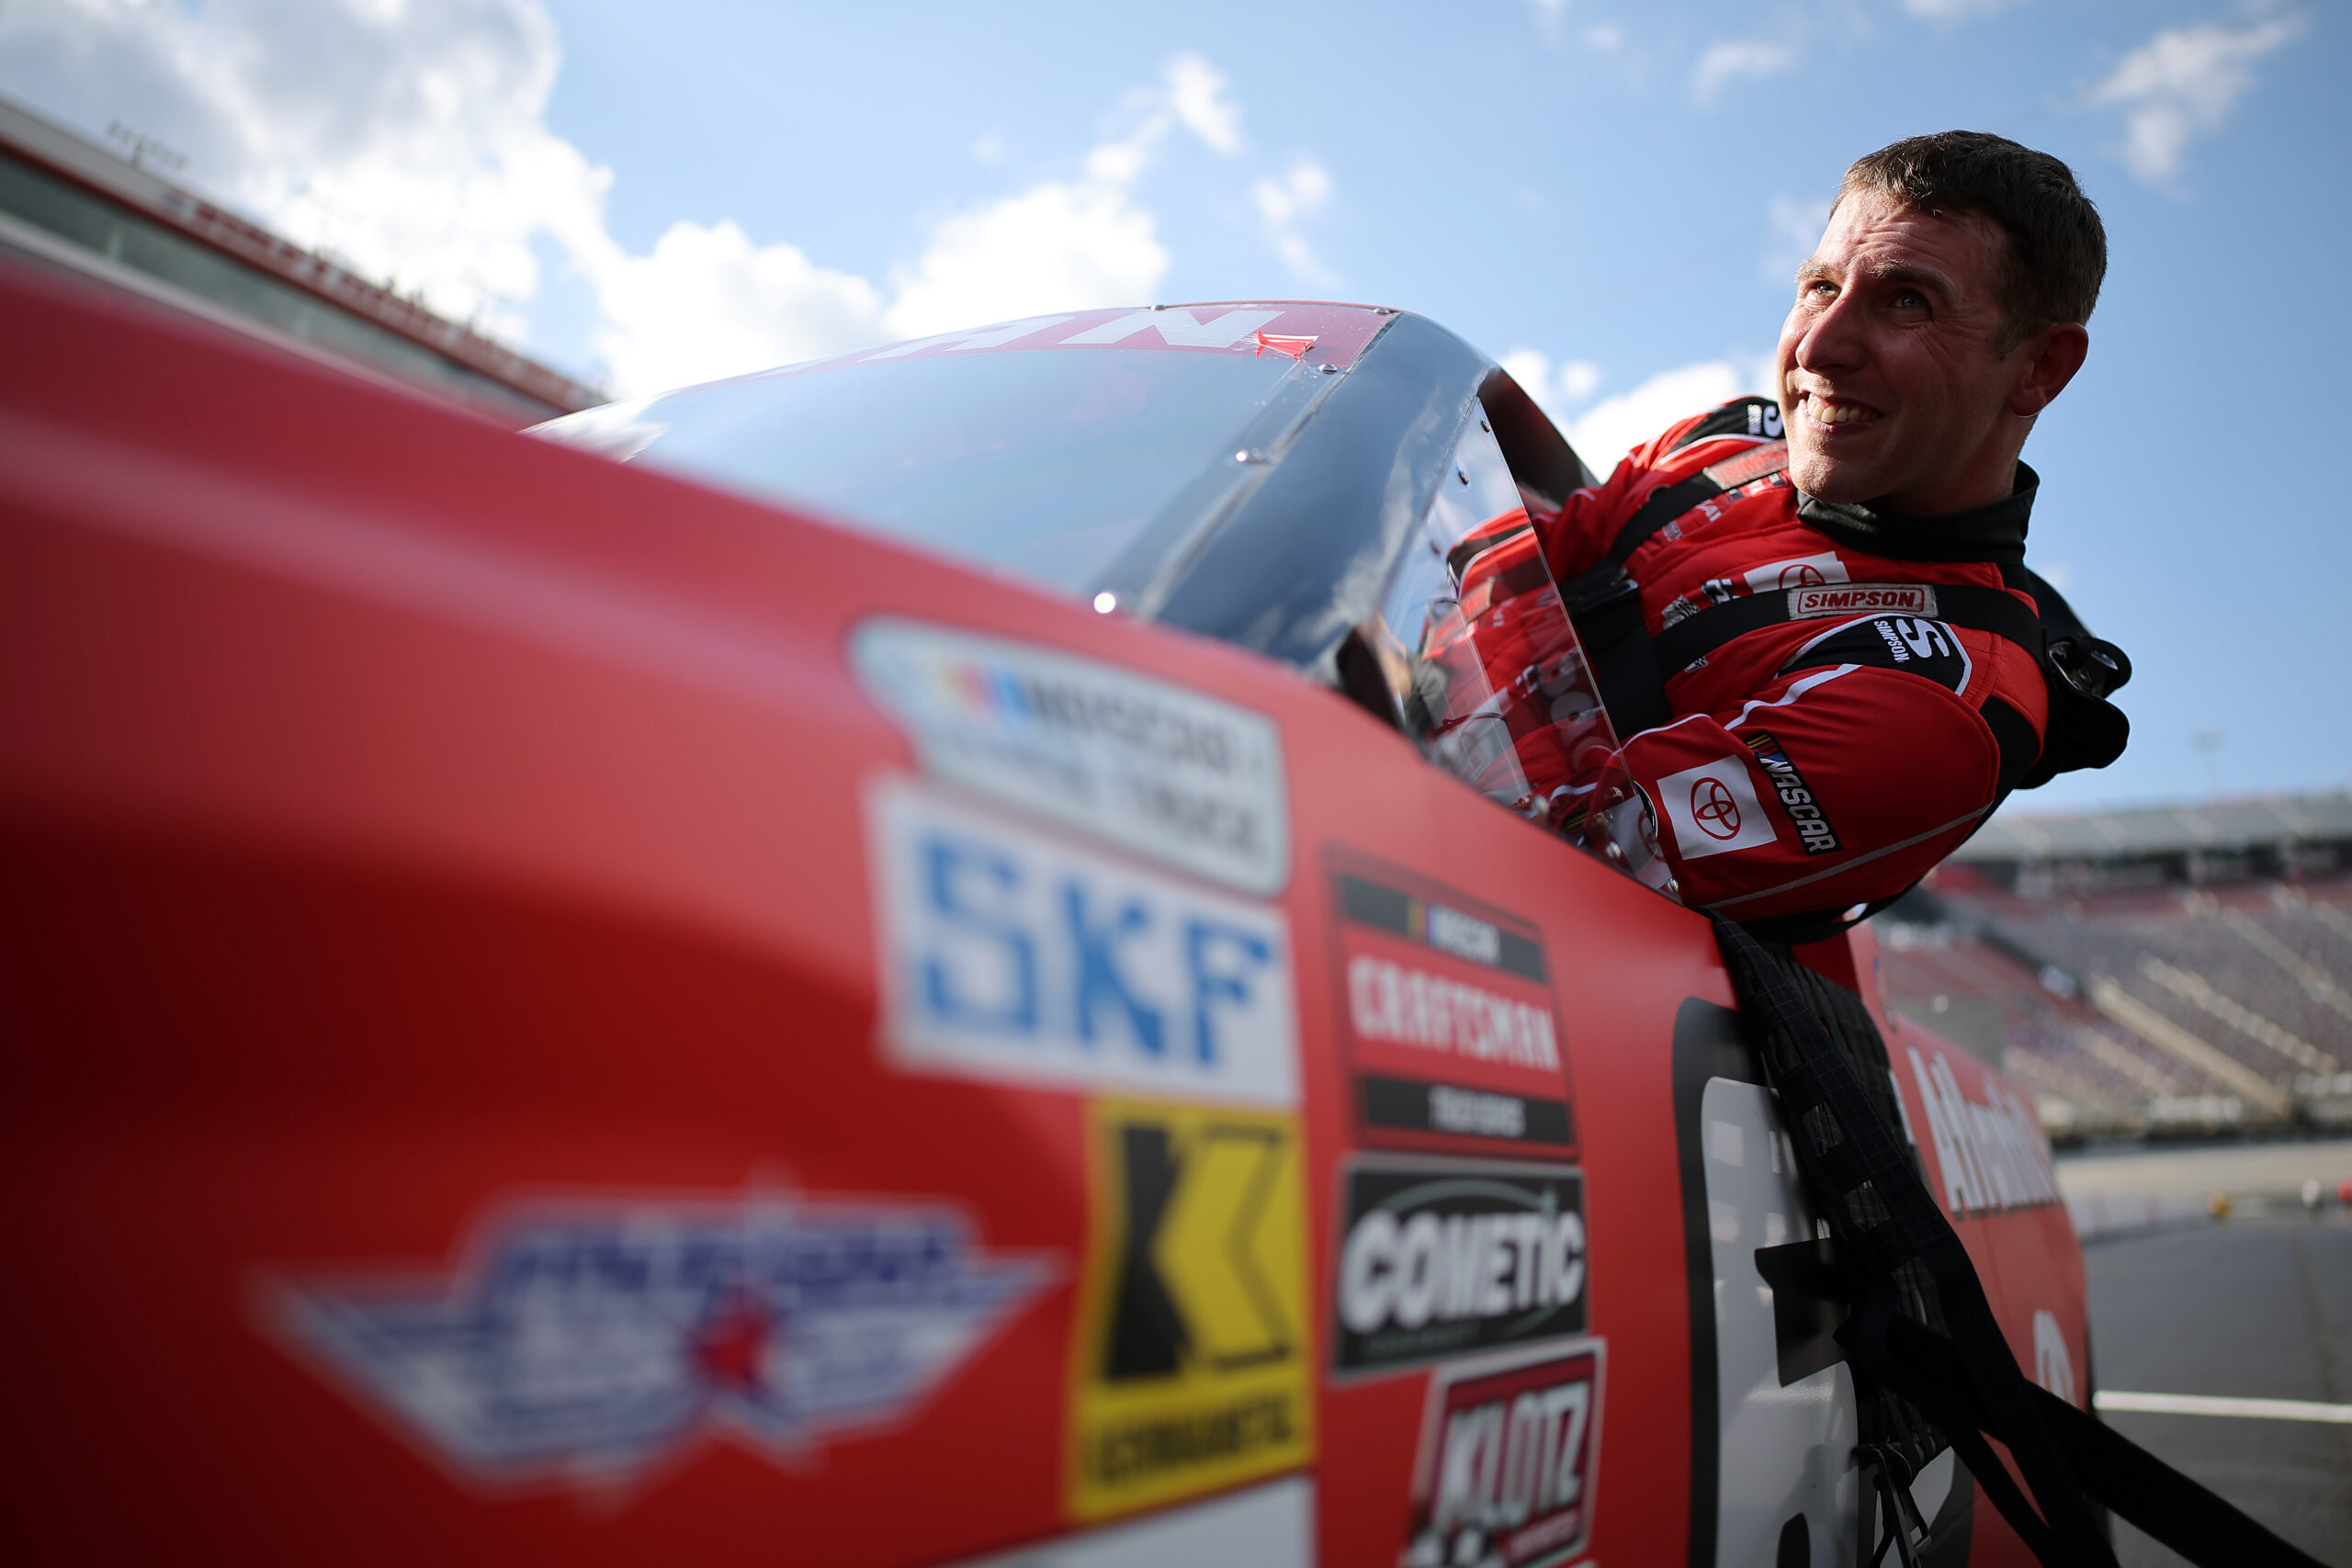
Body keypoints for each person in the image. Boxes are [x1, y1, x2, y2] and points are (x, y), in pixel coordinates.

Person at [1529, 130, 2124, 941]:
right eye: (1820, 286)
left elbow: (1558, 851)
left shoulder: (1940, 702)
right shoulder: (1725, 447)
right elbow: (1500, 562)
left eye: (1907, 301)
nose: (1818, 347)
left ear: (2039, 368)